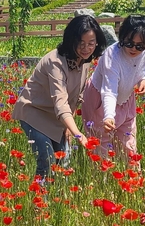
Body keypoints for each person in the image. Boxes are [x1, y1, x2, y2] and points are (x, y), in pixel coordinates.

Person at [11, 14, 105, 180]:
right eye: (81, 43)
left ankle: (58, 201)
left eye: (91, 43)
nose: (86, 48)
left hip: (58, 118)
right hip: (35, 113)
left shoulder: (84, 61)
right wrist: (78, 133)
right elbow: (61, 102)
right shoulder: (55, 62)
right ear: (71, 40)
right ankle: (40, 202)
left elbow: (76, 97)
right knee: (47, 159)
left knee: (63, 162)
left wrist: (68, 128)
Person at [82, 14, 145, 165]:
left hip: (126, 99)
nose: (134, 49)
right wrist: (108, 116)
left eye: (140, 46)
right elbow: (109, 89)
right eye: (129, 43)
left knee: (128, 142)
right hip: (100, 100)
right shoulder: (112, 56)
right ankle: (101, 184)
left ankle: (133, 181)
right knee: (101, 145)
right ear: (122, 37)